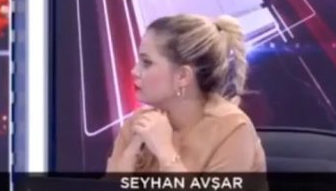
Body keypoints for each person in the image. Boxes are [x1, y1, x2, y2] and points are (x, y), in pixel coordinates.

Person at [106, 14, 266, 173]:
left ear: (182, 76)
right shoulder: (137, 123)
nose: (134, 71)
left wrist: (165, 151)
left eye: (147, 63)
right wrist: (130, 154)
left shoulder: (232, 129)